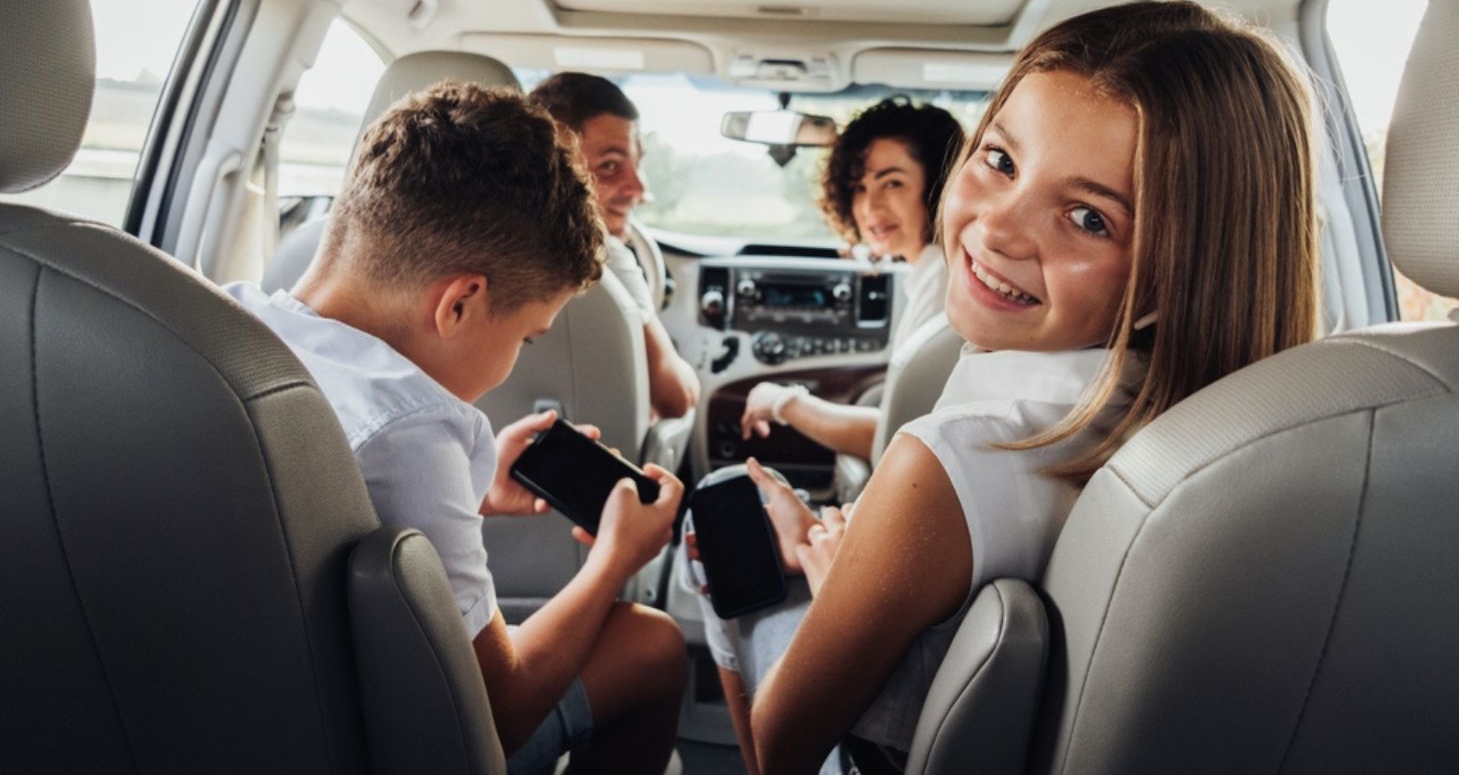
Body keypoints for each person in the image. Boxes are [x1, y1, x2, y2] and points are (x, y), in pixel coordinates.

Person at [696, 0, 1319, 775]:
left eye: (1089, 218)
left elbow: (782, 747)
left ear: (1184, 267)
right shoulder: (1245, 433)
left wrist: (836, 585)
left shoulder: (944, 461)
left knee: (723, 514)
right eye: (1000, 161)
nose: (997, 228)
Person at [226, 82, 686, 775]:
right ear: (461, 303)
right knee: (651, 645)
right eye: (528, 338)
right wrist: (614, 562)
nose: (515, 361)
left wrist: (474, 494)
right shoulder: (414, 430)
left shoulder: (224, 324)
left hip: (237, 713)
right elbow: (497, 712)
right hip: (365, 746)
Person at [739, 97, 966, 461]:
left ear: (940, 185)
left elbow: (898, 440)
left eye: (892, 183)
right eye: (859, 188)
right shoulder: (933, 268)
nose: (869, 207)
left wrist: (784, 401)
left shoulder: (946, 281)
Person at [529, 72, 701, 420]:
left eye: (637, 164)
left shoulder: (474, 244)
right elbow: (677, 397)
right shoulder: (606, 257)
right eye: (610, 166)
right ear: (554, 167)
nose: (638, 188)